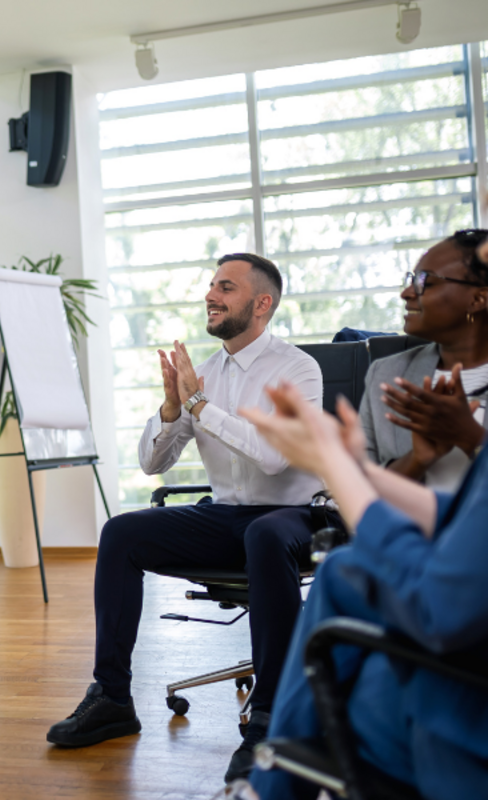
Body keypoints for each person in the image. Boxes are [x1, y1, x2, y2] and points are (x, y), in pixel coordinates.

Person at [46, 254, 341, 784]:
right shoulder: (200, 374)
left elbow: (275, 458)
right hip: (231, 519)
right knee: (122, 532)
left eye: (226, 287)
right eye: (210, 285)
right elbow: (152, 463)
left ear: (262, 303)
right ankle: (112, 697)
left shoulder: (298, 369)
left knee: (266, 533)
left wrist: (200, 405)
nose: (211, 295)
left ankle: (271, 719)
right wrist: (169, 408)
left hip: (295, 518)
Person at [240, 379, 488, 800]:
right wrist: (355, 468)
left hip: (468, 738)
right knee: (342, 568)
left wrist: (334, 466)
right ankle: (269, 788)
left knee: (358, 678)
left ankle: (270, 786)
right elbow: (464, 524)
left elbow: (437, 608)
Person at [360, 230, 488, 490]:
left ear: (478, 299)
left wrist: (472, 438)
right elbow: (362, 494)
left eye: (424, 282)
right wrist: (417, 459)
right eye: (411, 279)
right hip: (412, 530)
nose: (406, 293)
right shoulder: (387, 374)